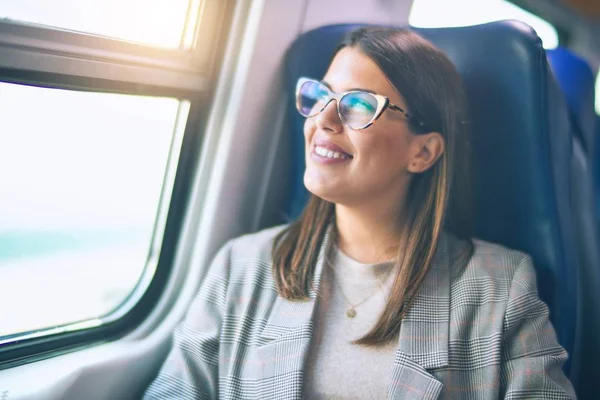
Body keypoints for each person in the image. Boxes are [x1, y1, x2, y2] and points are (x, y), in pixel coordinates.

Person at [144, 27, 575, 399]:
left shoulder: (500, 287)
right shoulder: (241, 266)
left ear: (422, 152)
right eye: (320, 95)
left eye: (360, 105)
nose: (323, 119)